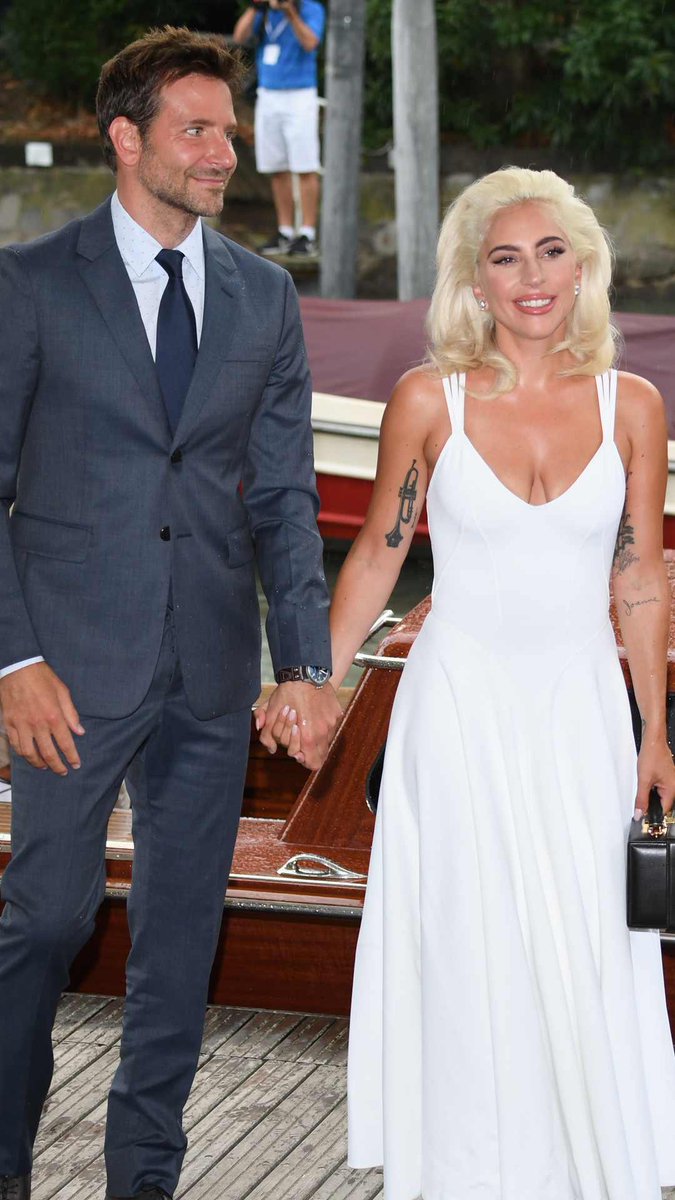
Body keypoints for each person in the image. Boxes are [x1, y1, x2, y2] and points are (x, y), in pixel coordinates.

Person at [267, 166, 675, 1198]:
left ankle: (584, 1171)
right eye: (505, 258)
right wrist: (313, 680)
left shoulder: (634, 405)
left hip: (582, 711)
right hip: (456, 708)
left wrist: (654, 733)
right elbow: (376, 556)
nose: (531, 277)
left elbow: (638, 577)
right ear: (475, 280)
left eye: (551, 252)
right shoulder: (426, 400)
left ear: (582, 268)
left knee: (586, 938)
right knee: (466, 942)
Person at [0, 26, 341, 1200]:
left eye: (228, 131)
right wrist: (15, 662)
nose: (222, 153)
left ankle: (144, 1175)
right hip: (64, 671)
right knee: (47, 919)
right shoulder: (30, 283)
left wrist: (305, 666)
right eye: (196, 130)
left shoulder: (263, 294)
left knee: (182, 937)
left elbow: (287, 495)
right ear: (126, 137)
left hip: (211, 666)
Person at [233, 0, 325, 258]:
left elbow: (311, 42)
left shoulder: (310, 9)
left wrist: (290, 13)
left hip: (299, 94)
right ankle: (285, 230)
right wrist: (256, 6)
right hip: (268, 95)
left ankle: (307, 233)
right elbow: (240, 36)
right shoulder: (265, 12)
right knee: (276, 167)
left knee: (305, 165)